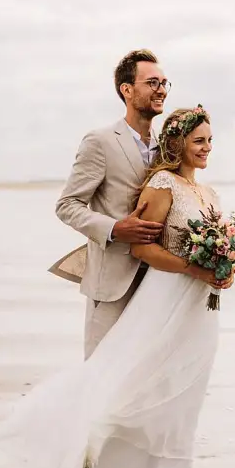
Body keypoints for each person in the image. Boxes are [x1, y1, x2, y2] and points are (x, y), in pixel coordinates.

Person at [0, 105, 232, 468]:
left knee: (184, 407)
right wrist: (195, 269)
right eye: (198, 141)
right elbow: (144, 250)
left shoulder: (209, 192)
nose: (206, 148)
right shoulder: (162, 185)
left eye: (210, 140)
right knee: (148, 401)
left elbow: (220, 246)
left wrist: (228, 268)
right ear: (177, 144)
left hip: (202, 309)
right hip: (166, 300)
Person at [55, 48, 169, 359]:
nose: (161, 90)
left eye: (164, 83)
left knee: (146, 376)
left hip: (160, 282)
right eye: (152, 83)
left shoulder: (169, 149)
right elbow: (68, 205)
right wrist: (116, 229)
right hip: (111, 283)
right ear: (127, 89)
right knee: (100, 376)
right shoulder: (101, 141)